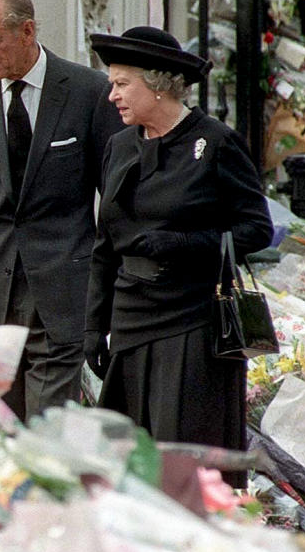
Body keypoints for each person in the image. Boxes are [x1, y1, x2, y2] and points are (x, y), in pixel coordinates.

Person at [84, 26, 273, 481]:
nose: (112, 96)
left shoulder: (215, 143)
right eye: (112, 84)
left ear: (159, 84)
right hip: (132, 322)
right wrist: (94, 325)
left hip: (192, 325)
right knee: (127, 465)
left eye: (121, 84)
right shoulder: (119, 146)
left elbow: (257, 229)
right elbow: (104, 245)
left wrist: (184, 244)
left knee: (184, 465)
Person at [0, 0, 122, 419]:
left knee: (47, 432)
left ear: (27, 31)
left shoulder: (89, 93)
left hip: (63, 295)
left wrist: (107, 293)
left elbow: (113, 202)